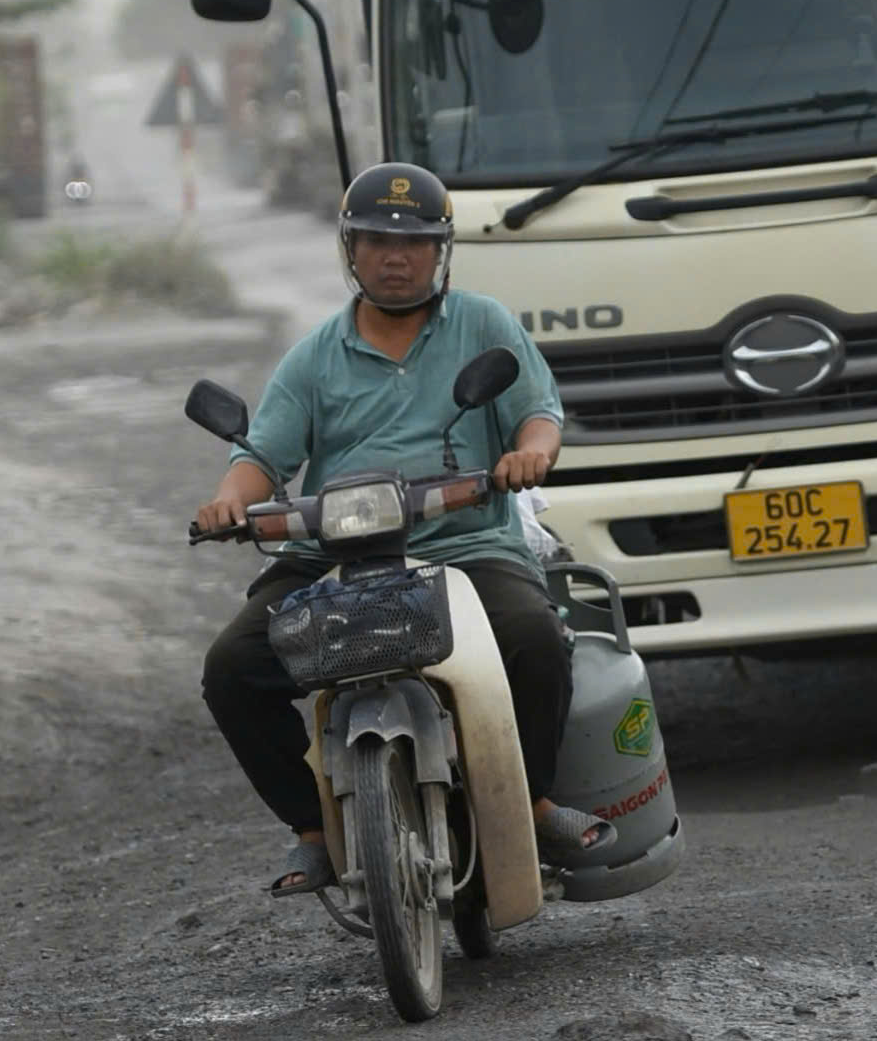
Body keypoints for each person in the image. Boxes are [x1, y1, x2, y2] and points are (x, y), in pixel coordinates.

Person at [195, 159, 613, 897]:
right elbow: (261, 455)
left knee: (537, 639)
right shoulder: (314, 356)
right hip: (331, 553)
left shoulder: (484, 324)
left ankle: (535, 800)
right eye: (376, 240)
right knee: (231, 668)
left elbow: (538, 414)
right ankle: (313, 830)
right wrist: (229, 499)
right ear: (349, 249)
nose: (396, 256)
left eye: (415, 242)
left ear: (440, 251)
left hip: (465, 544)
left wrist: (528, 456)